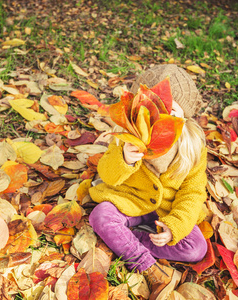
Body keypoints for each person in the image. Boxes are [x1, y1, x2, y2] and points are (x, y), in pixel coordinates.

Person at [89, 64, 208, 300]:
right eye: (154, 110)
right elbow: (108, 174)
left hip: (167, 212)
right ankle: (146, 266)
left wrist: (174, 226)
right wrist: (124, 158)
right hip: (129, 201)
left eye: (171, 111)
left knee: (197, 248)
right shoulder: (128, 137)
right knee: (100, 215)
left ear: (184, 116)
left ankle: (123, 239)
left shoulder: (192, 146)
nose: (162, 118)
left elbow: (192, 194)